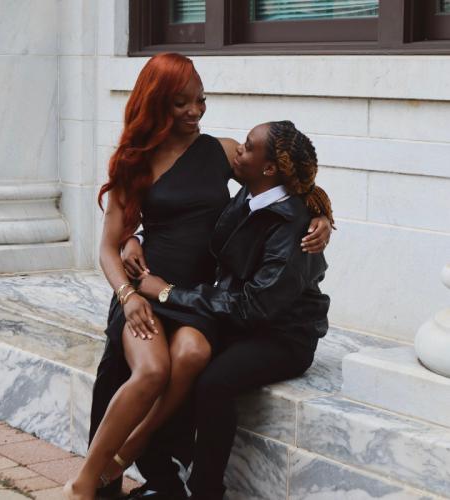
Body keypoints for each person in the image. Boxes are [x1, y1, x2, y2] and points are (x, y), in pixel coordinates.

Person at [65, 53, 332, 500]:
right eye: (181, 103)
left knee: (192, 357)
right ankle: (87, 482)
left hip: (199, 297)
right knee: (151, 370)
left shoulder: (220, 151)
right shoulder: (134, 162)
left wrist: (321, 214)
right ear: (156, 103)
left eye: (201, 100)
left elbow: (283, 178)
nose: (195, 111)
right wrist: (129, 287)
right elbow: (108, 246)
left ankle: (143, 458)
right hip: (146, 290)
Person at [139, 120, 331, 500]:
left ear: (269, 168)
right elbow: (190, 225)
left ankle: (206, 492)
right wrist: (136, 237)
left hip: (283, 336)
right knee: (176, 357)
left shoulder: (294, 228)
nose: (238, 150)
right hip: (238, 319)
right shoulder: (250, 194)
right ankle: (163, 479)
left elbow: (253, 307)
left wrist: (168, 294)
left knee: (214, 381)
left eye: (247, 145)